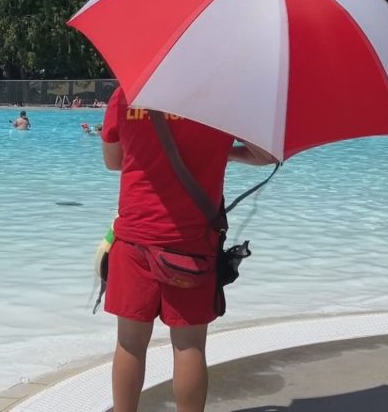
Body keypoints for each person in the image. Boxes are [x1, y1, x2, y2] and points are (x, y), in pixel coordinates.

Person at [100, 87, 276, 412]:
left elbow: (114, 161)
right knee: (189, 346)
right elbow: (265, 155)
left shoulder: (127, 92)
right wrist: (224, 152)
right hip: (191, 246)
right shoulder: (222, 99)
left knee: (129, 344)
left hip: (135, 238)